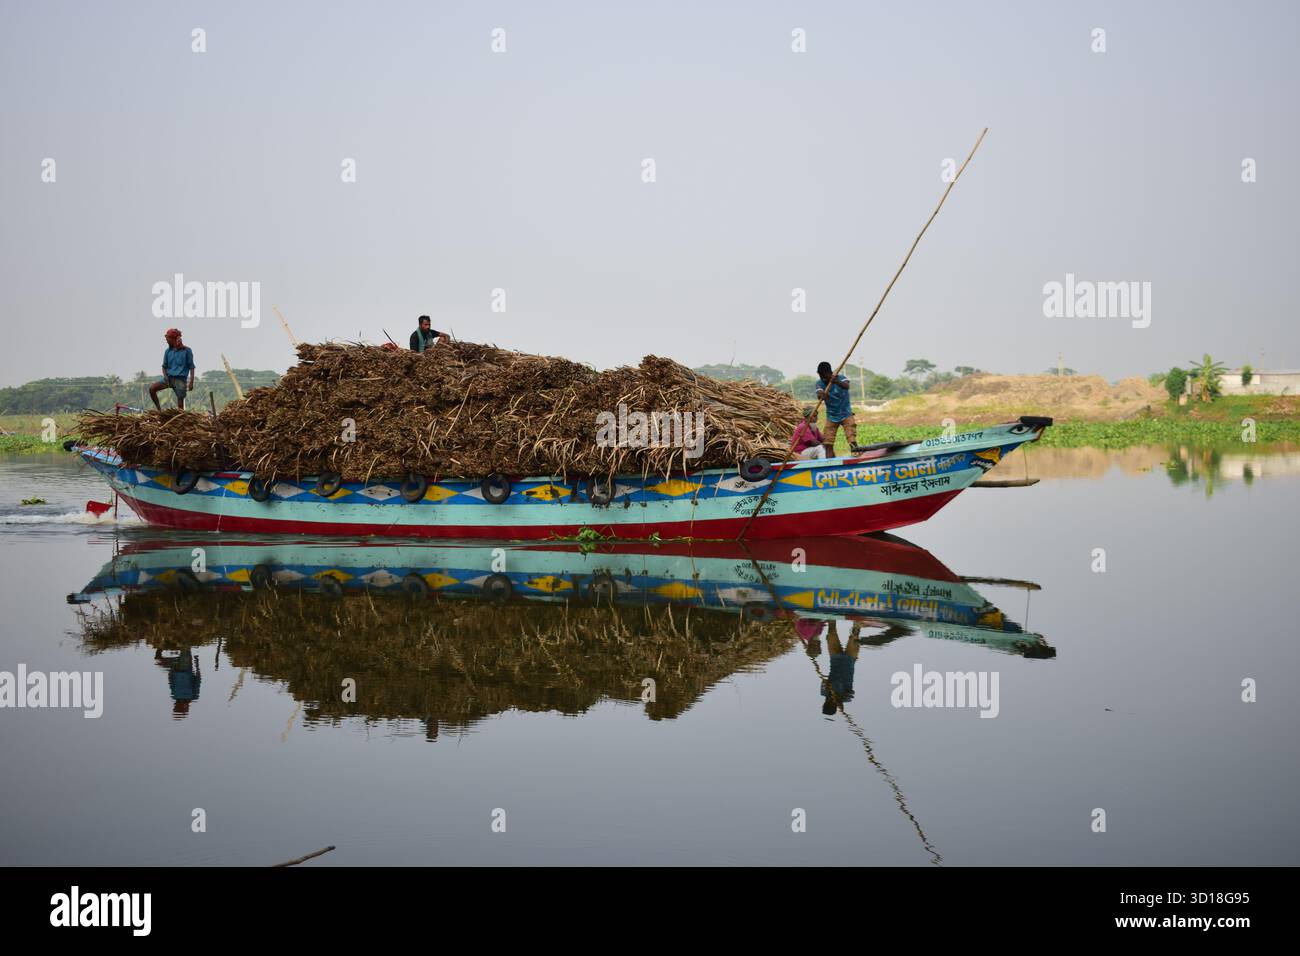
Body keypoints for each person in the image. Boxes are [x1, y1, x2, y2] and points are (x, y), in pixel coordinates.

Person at [815, 361, 856, 457]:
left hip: (846, 414)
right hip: (831, 416)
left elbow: (847, 386)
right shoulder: (819, 383)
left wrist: (836, 381)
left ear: (829, 373)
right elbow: (820, 394)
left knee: (852, 439)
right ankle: (829, 462)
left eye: (824, 375)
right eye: (820, 375)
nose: (822, 378)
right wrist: (822, 395)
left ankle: (856, 456)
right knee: (828, 443)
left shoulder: (840, 378)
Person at [149, 328, 195, 410]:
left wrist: (191, 382)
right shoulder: (168, 351)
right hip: (169, 378)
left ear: (173, 339)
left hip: (180, 380)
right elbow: (164, 366)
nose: (166, 341)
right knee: (152, 389)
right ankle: (159, 410)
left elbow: (191, 367)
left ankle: (180, 417)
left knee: (180, 403)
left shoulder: (187, 351)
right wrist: (165, 376)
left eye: (168, 339)